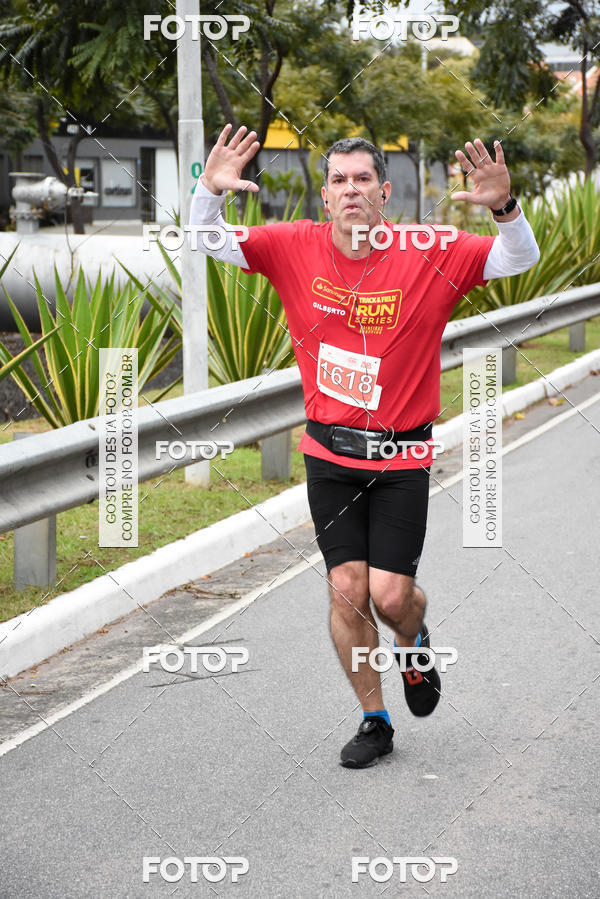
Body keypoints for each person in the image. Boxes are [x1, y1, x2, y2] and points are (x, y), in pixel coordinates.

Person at [189, 124, 540, 768]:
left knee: (390, 596)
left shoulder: (427, 250)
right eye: (339, 181)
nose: (351, 190)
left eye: (363, 180)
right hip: (329, 456)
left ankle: (414, 637)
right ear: (325, 197)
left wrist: (503, 208)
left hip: (403, 457)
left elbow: (517, 258)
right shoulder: (293, 245)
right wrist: (208, 193)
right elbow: (207, 239)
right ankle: (374, 720)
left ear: (384, 192)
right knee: (347, 588)